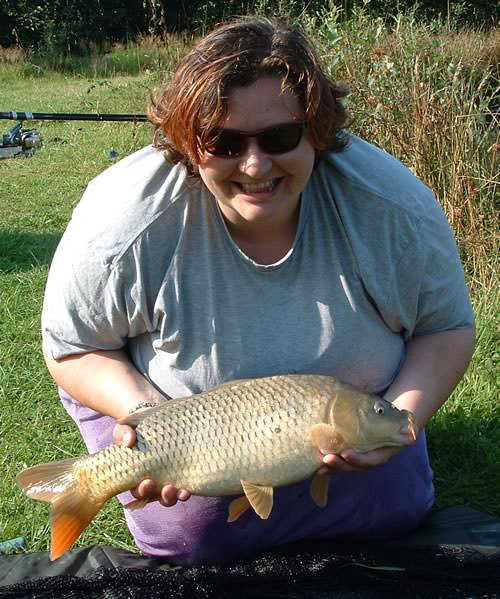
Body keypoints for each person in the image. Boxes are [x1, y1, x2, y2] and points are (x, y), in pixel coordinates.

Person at [41, 16, 475, 566]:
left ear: (316, 131)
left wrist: (402, 418)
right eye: (222, 141)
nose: (254, 165)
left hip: (344, 414)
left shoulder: (392, 208)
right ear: (187, 141)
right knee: (194, 537)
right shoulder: (123, 223)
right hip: (177, 417)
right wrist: (147, 416)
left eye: (280, 136)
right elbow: (73, 345)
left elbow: (446, 327)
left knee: (394, 515)